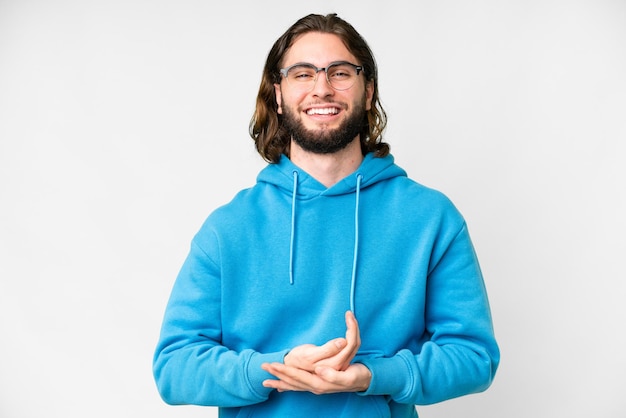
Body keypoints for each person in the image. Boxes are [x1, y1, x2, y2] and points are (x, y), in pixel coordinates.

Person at [153, 13, 499, 418]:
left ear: (368, 91)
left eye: (340, 72)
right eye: (302, 74)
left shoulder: (431, 217)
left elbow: (474, 356)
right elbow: (174, 367)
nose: (322, 88)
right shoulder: (228, 227)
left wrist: (373, 375)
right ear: (278, 95)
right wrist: (273, 368)